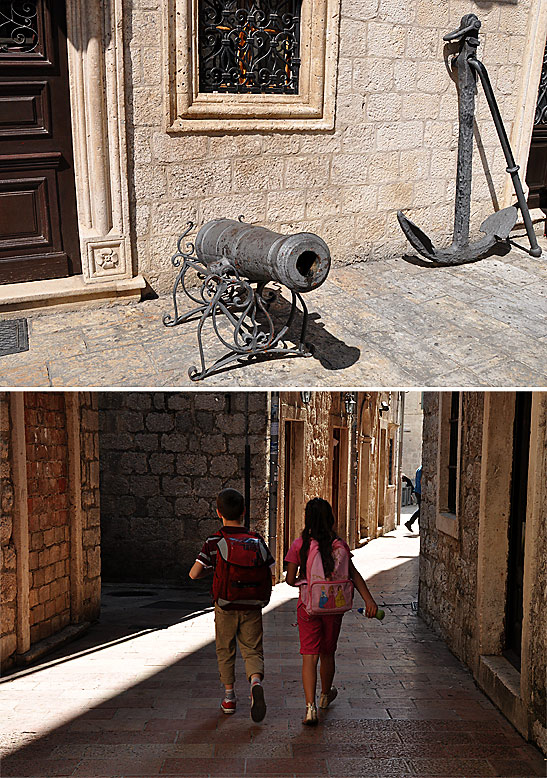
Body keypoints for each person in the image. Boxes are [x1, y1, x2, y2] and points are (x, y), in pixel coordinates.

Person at [284, 497, 378, 726]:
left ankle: (310, 707)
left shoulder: (300, 545)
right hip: (334, 609)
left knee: (309, 655)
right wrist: (369, 600)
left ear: (307, 519)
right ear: (331, 519)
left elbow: (288, 579)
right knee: (328, 652)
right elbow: (353, 574)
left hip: (308, 607)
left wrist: (303, 580)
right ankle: (325, 695)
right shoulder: (340, 545)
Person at [189, 488, 274, 722]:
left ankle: (229, 697)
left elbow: (193, 574)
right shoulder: (257, 540)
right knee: (253, 649)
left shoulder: (214, 541)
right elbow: (269, 569)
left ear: (218, 513)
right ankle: (255, 681)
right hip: (252, 604)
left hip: (226, 604)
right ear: (244, 512)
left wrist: (212, 569)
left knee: (225, 649)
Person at [405, 465, 422, 532]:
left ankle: (419, 528)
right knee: (421, 510)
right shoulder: (422, 469)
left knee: (420, 511)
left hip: (417, 491)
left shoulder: (419, 469)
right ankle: (410, 522)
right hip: (420, 491)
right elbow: (421, 481)